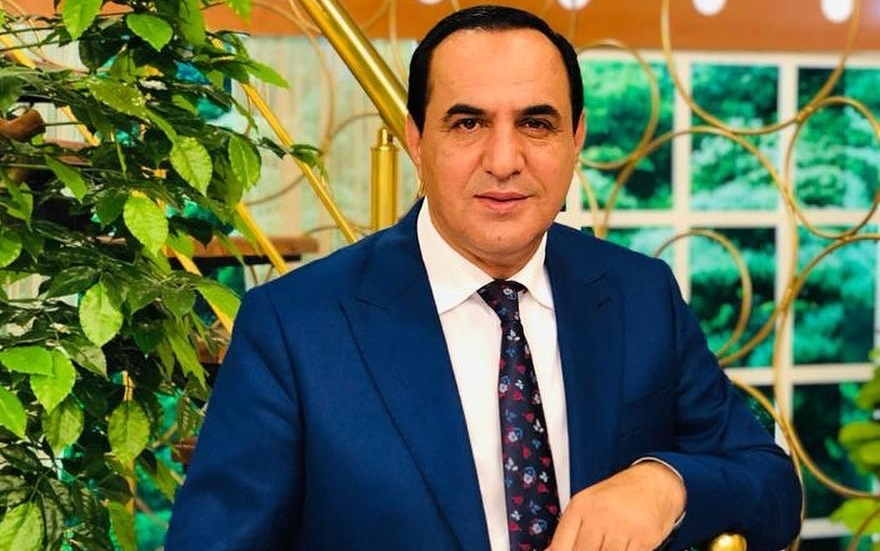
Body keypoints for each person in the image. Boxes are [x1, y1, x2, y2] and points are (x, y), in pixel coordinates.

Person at [166, 5, 802, 550]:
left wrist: (664, 484)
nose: (504, 160)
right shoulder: (293, 327)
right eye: (468, 123)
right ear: (417, 139)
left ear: (576, 138)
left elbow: (771, 486)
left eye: (536, 124)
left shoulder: (640, 294)